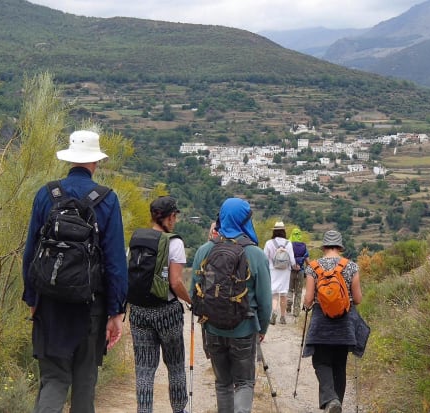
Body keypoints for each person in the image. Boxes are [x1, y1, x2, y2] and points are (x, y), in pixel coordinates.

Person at [22, 130, 127, 413]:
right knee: (84, 386)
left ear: (69, 158)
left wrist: (32, 299)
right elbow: (116, 262)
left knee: (53, 379)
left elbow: (30, 252)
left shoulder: (46, 195)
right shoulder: (107, 199)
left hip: (50, 305)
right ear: (95, 162)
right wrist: (116, 312)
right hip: (91, 307)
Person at [191, 198, 272, 413]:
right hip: (244, 328)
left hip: (212, 329)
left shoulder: (204, 251)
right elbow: (265, 301)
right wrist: (261, 328)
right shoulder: (255, 254)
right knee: (244, 383)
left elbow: (195, 292)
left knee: (222, 383)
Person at [129, 196, 192, 413]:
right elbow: (175, 282)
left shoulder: (137, 238)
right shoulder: (174, 242)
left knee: (144, 369)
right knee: (175, 366)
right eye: (174, 216)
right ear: (168, 217)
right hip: (167, 313)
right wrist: (191, 300)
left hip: (138, 311)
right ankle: (179, 410)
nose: (175, 220)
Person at [302, 230, 364, 413]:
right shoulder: (351, 266)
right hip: (344, 325)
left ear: (324, 247)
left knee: (320, 362)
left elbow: (308, 298)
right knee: (339, 365)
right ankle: (336, 404)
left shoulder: (313, 267)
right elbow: (358, 299)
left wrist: (307, 306)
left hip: (321, 323)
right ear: (339, 247)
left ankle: (331, 400)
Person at [263, 221, 296, 325]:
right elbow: (292, 260)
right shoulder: (288, 243)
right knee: (283, 294)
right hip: (285, 271)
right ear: (283, 231)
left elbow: (265, 258)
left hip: (273, 270)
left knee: (274, 295)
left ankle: (274, 312)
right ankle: (282, 316)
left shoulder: (269, 243)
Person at [287, 227, 310, 317]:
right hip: (300, 271)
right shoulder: (303, 246)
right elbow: (308, 261)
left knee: (290, 289)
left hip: (290, 271)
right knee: (298, 292)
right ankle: (296, 311)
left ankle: (288, 304)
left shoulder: (289, 245)